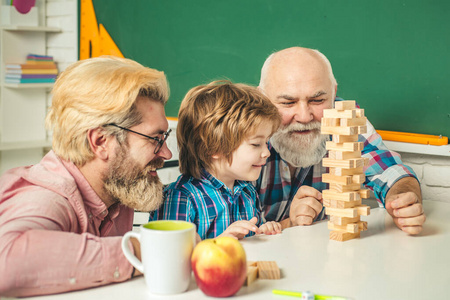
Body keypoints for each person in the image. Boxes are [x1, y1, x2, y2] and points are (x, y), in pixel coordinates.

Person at [0, 56, 173, 297]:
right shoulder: (48, 196)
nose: (166, 152)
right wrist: (145, 250)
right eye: (155, 138)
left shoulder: (118, 187)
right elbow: (6, 262)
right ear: (101, 142)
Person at [255, 46, 426, 235]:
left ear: (334, 93)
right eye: (288, 103)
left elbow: (389, 170)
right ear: (261, 99)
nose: (304, 117)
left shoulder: (344, 118)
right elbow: (225, 232)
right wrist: (289, 223)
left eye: (317, 100)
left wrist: (402, 200)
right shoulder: (242, 134)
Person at [150, 80, 282, 240]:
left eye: (266, 142)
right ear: (214, 148)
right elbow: (170, 258)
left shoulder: (247, 192)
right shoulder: (181, 197)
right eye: (256, 144)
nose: (267, 153)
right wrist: (219, 244)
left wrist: (262, 231)